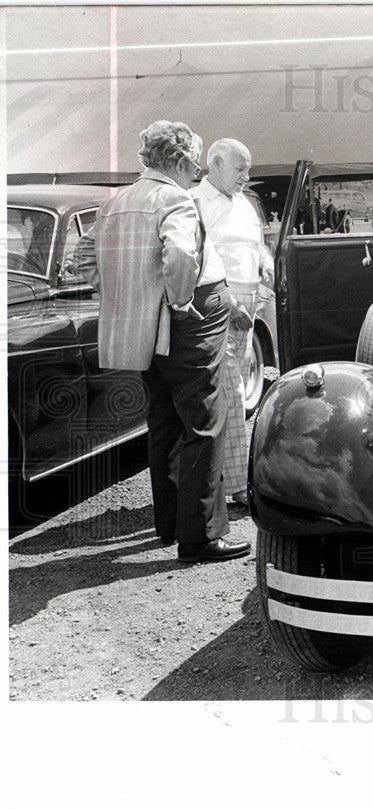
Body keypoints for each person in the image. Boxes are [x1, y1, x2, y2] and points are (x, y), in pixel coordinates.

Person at [74, 121, 251, 563]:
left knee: (165, 421)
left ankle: (169, 525)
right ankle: (202, 537)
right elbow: (179, 254)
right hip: (192, 318)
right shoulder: (175, 198)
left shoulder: (115, 201)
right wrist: (181, 298)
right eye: (192, 163)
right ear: (177, 161)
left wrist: (124, 294)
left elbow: (82, 258)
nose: (195, 172)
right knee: (205, 422)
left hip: (147, 323)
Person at [192, 138, 273, 506]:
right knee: (231, 391)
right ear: (217, 164)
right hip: (217, 304)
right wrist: (228, 303)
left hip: (249, 302)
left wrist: (265, 261)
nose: (247, 176)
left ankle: (227, 478)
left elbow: (256, 244)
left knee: (235, 390)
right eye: (240, 169)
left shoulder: (243, 202)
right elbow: (197, 261)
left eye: (249, 169)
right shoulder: (195, 202)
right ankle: (237, 484)